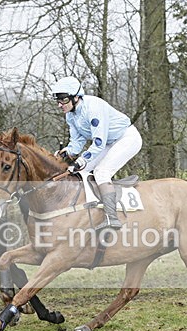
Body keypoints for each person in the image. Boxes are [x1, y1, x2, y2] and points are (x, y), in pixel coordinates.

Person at [51, 76, 143, 230]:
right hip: (109, 142)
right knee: (83, 171)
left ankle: (111, 217)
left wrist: (81, 160)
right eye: (57, 100)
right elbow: (76, 143)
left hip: (127, 138)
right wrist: (66, 153)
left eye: (63, 100)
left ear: (76, 97)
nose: (60, 104)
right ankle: (89, 212)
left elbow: (98, 143)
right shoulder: (70, 115)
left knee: (101, 171)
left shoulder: (93, 108)